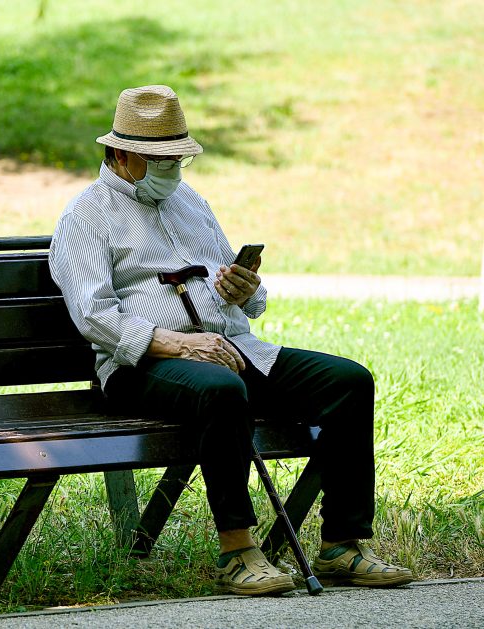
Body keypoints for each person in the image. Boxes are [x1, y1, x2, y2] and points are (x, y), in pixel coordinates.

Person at [49, 85, 413, 595]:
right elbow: (93, 314)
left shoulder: (190, 202)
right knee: (220, 389)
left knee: (348, 381)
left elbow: (236, 289)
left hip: (230, 349)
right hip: (142, 365)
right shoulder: (85, 217)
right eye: (160, 158)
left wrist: (244, 290)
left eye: (178, 156)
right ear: (120, 152)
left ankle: (343, 545)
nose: (171, 167)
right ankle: (238, 551)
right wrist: (178, 343)